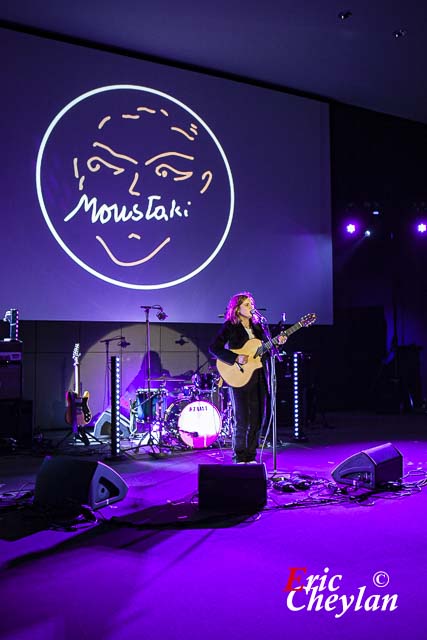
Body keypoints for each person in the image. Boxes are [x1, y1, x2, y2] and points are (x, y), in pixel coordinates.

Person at [209, 291, 286, 464]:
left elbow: (263, 350)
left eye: (252, 304)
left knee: (257, 418)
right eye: (247, 304)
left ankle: (250, 456)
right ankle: (239, 456)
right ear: (237, 309)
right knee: (242, 419)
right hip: (239, 376)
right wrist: (235, 357)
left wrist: (276, 343)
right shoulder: (230, 326)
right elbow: (214, 347)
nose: (251, 307)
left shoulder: (259, 327)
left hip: (258, 375)